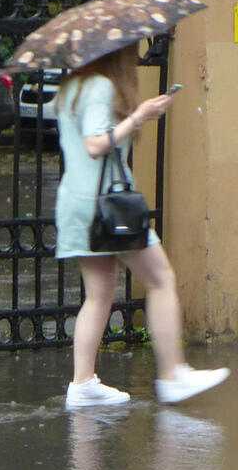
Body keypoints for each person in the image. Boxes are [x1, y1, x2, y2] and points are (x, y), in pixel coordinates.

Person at [55, 44, 229, 408]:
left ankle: (82, 382)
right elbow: (94, 145)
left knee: (99, 294)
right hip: (108, 206)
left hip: (77, 203)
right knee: (161, 278)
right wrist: (138, 117)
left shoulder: (70, 88)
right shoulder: (99, 86)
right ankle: (173, 375)